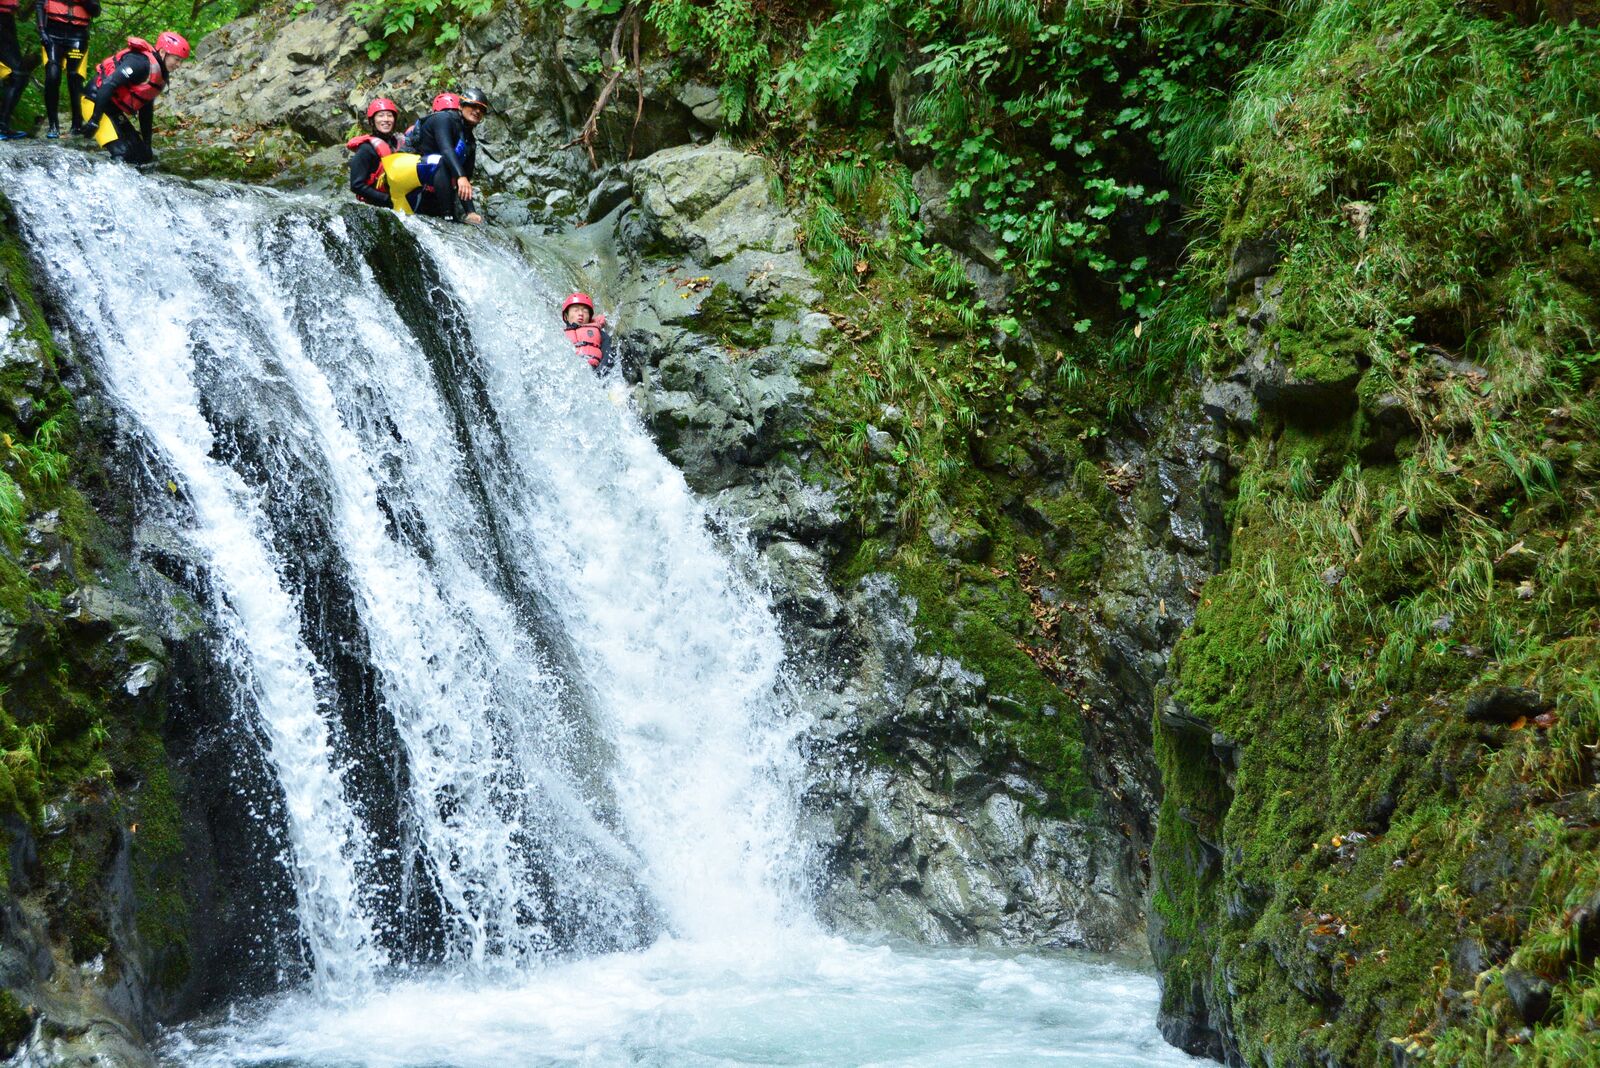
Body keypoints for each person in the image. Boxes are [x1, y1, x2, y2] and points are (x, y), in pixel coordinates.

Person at [78, 31, 190, 165]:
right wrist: (94, 121)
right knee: (122, 153)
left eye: (181, 61)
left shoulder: (160, 74)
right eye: (176, 59)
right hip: (94, 101)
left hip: (112, 109)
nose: (179, 65)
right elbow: (108, 85)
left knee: (142, 156)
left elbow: (146, 110)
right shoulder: (140, 63)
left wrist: (147, 144)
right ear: (162, 52)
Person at [402, 87, 489, 224]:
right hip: (408, 174)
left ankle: (449, 215)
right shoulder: (443, 118)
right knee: (442, 161)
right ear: (460, 106)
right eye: (473, 106)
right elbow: (446, 150)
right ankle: (448, 218)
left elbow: (465, 180)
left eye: (482, 109)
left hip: (432, 183)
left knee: (447, 167)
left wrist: (470, 211)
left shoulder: (469, 141)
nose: (478, 111)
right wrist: (460, 176)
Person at [37, 0, 97, 138]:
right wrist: (42, 31)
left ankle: (77, 125)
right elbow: (39, 4)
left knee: (74, 78)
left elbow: (96, 11)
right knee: (52, 76)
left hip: (77, 37)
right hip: (53, 34)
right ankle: (53, 126)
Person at [347, 96, 405, 207]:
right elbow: (356, 185)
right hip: (378, 204)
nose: (386, 119)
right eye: (381, 115)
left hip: (400, 198)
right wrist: (388, 200)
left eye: (390, 115)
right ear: (372, 121)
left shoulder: (399, 144)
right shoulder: (366, 149)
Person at [0, 0, 35, 139]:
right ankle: (2, 126)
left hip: (7, 21)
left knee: (18, 76)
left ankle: (3, 126)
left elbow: (23, 16)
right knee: (19, 75)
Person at [562, 292, 612, 374]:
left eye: (585, 311)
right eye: (576, 310)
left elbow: (608, 355)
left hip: (594, 372)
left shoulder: (600, 334)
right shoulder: (559, 334)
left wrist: (599, 374)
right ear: (566, 316)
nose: (581, 313)